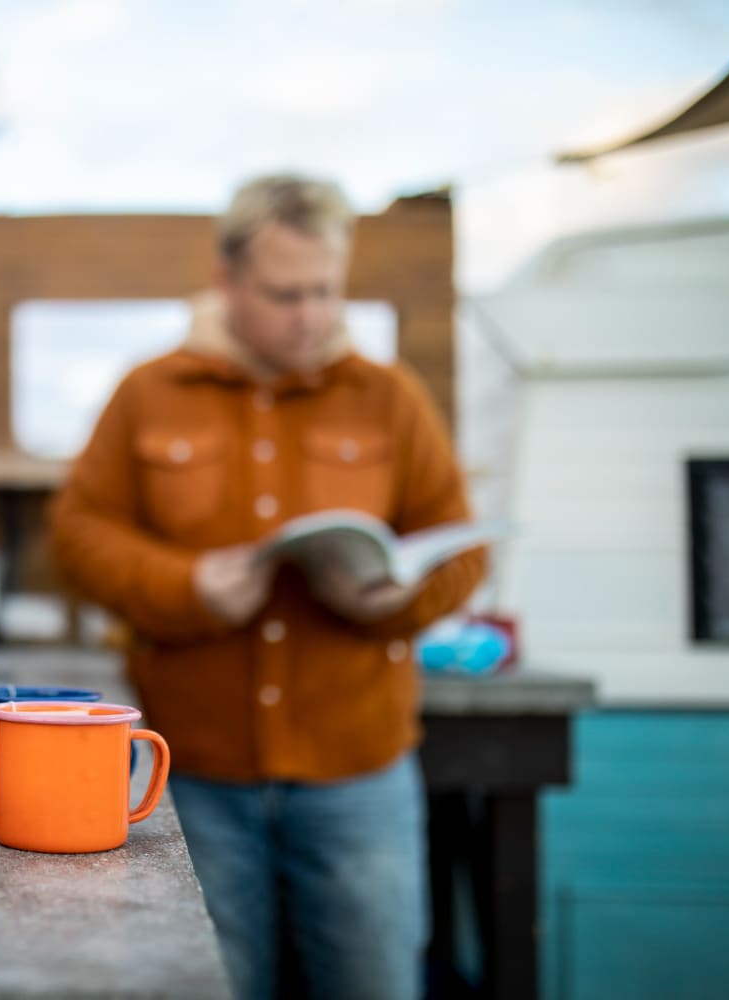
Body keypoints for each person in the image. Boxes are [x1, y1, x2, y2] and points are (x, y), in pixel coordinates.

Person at [48, 173, 487, 1000]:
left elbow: (462, 551)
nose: (310, 315)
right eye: (286, 294)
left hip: (361, 777)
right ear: (226, 280)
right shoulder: (148, 393)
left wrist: (398, 600)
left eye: (326, 291)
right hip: (188, 778)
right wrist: (185, 587)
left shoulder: (390, 398)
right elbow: (76, 537)